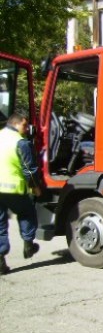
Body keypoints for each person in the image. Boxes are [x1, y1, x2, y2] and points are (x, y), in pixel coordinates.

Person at [0, 112, 43, 275]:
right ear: (15, 124)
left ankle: (0, 261)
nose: (27, 129)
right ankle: (28, 244)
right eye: (24, 125)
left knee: (0, 224)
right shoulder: (20, 142)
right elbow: (29, 169)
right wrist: (35, 187)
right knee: (27, 213)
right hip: (13, 189)